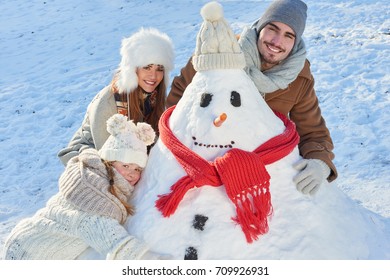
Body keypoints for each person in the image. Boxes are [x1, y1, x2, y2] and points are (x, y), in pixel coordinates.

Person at [166, 0, 337, 195]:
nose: (276, 41)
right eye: (273, 29)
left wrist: (320, 162)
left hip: (260, 170)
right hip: (206, 157)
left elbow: (313, 132)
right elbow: (180, 97)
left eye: (288, 35)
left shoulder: (299, 77)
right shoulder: (220, 52)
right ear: (261, 27)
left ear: (295, 42)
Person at [3, 114, 171, 260]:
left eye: (137, 169)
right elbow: (112, 239)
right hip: (28, 250)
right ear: (109, 163)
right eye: (125, 166)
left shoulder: (107, 183)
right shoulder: (93, 192)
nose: (132, 173)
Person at [58, 27, 174, 166]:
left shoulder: (154, 97)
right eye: (147, 67)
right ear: (132, 69)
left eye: (159, 69)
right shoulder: (108, 101)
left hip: (130, 156)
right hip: (91, 156)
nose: (154, 76)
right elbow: (107, 154)